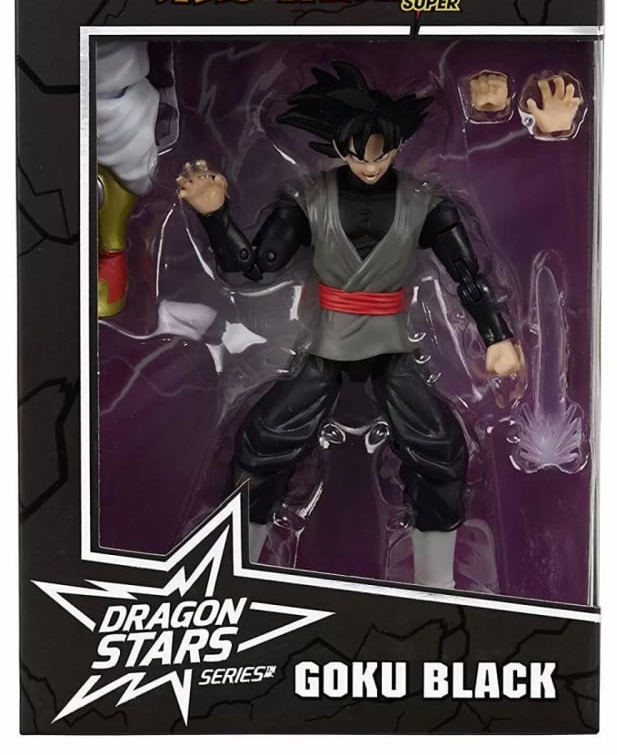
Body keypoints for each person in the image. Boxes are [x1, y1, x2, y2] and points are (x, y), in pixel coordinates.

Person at [177, 61, 523, 588]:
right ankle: (234, 566)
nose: (371, 164)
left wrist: (496, 336)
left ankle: (437, 582)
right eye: (359, 153)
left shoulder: (426, 203)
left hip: (390, 343)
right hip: (328, 342)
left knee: (440, 447)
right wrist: (215, 213)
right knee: (263, 442)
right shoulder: (308, 200)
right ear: (339, 147)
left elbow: (468, 275)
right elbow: (253, 267)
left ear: (398, 145)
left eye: (381, 152)